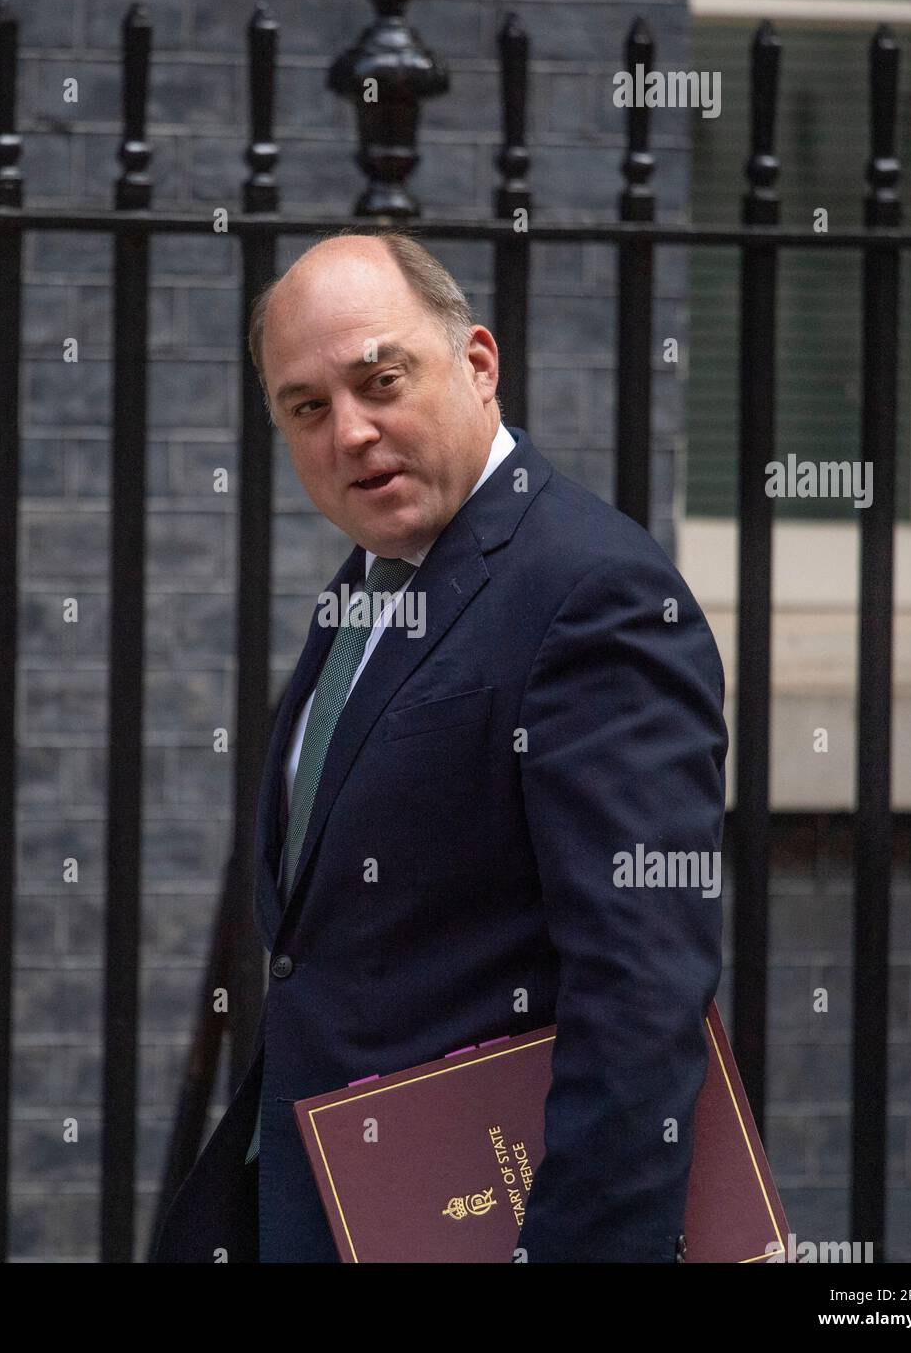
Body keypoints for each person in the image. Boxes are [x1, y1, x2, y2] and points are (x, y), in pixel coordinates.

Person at [149, 229, 727, 1263]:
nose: (352, 433)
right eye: (307, 408)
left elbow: (638, 993)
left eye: (382, 378)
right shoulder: (370, 584)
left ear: (475, 362)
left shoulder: (592, 592)